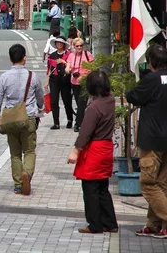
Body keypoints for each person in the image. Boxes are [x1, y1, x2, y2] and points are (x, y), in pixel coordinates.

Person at [67, 70, 118, 234]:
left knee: (90, 188)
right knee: (103, 187)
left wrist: (75, 150)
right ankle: (110, 222)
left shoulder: (94, 107)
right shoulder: (110, 100)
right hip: (106, 147)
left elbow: (85, 132)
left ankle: (95, 224)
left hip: (94, 148)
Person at [125, 45, 167, 238]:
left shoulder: (150, 79)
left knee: (149, 183)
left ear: (150, 62)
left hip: (152, 139)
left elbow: (133, 96)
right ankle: (155, 224)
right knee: (162, 183)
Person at [0, 44, 45, 195]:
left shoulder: (4, 77)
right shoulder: (33, 76)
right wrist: (41, 108)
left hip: (11, 120)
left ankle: (17, 185)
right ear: (24, 58)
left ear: (10, 59)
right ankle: (27, 174)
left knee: (15, 154)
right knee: (29, 151)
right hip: (28, 118)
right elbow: (40, 97)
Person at [65, 38, 94, 132]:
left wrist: (87, 74)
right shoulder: (71, 56)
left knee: (82, 103)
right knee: (79, 103)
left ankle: (77, 124)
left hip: (84, 82)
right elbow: (68, 66)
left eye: (81, 45)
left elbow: (93, 66)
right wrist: (68, 70)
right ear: (74, 47)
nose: (79, 47)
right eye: (77, 46)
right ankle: (85, 122)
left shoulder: (87, 54)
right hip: (74, 82)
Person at [45, 35, 74, 129]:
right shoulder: (52, 55)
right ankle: (56, 123)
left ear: (64, 44)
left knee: (67, 101)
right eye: (57, 43)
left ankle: (70, 120)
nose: (59, 44)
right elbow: (50, 69)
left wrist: (62, 61)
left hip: (65, 80)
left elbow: (71, 67)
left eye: (61, 43)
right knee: (54, 101)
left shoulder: (69, 55)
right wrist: (47, 82)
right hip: (54, 80)